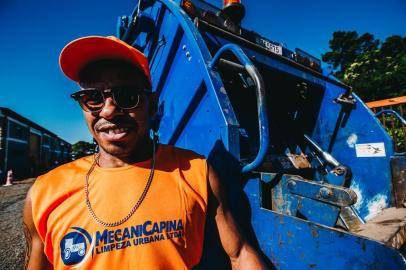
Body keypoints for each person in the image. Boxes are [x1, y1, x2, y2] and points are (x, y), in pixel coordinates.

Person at [23, 36, 268, 269]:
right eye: (93, 98)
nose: (109, 111)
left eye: (127, 96)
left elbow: (239, 253)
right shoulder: (44, 193)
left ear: (152, 106)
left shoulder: (197, 172)